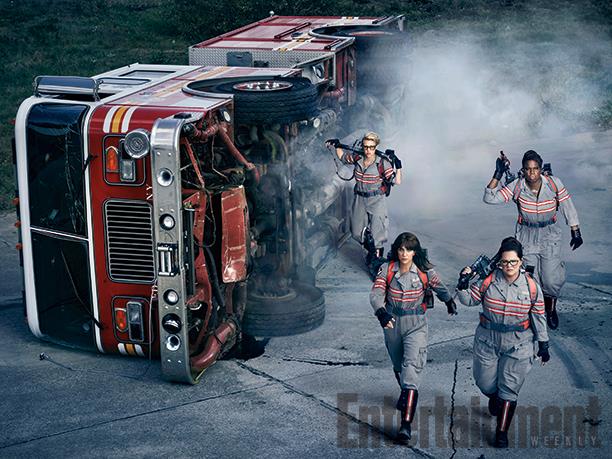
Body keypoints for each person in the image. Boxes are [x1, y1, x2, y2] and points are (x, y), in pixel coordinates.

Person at [456, 236, 550, 448]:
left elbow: (539, 315)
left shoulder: (532, 287)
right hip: (487, 340)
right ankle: (494, 396)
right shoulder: (488, 280)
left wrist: (543, 344)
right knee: (485, 382)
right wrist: (462, 284)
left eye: (513, 262)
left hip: (520, 343)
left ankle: (501, 432)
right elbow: (469, 299)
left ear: (521, 261)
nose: (508, 266)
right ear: (499, 261)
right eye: (504, 262)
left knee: (509, 387)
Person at [370, 232, 457, 443]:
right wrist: (381, 312)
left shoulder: (425, 271)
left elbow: (439, 286)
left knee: (411, 368)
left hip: (416, 324)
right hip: (392, 323)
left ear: (415, 251)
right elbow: (376, 292)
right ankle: (405, 392)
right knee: (399, 364)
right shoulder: (387, 269)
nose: (404, 253)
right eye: (401, 249)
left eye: (408, 249)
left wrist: (449, 301)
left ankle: (405, 425)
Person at [484, 150, 582, 330]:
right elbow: (489, 198)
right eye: (528, 169)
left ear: (540, 168)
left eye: (535, 169)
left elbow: (567, 205)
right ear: (523, 170)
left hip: (549, 234)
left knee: (551, 279)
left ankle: (551, 307)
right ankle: (536, 312)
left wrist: (575, 230)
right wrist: (497, 174)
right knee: (531, 278)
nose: (532, 173)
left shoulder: (553, 183)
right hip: (526, 236)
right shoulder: (517, 186)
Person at [326, 132, 401, 278]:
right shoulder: (358, 158)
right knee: (356, 231)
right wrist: (337, 145)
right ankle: (370, 251)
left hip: (376, 199)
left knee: (377, 233)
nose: (368, 150)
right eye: (366, 147)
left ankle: (376, 262)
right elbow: (343, 158)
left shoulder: (382, 162)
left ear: (376, 147)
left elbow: (396, 181)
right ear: (362, 146)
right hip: (359, 198)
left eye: (371, 147)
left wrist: (398, 165)